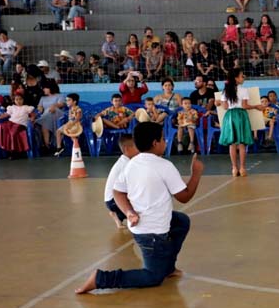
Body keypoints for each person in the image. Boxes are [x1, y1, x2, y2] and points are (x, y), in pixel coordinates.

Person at [75, 122, 204, 294]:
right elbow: (184, 196)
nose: (166, 142)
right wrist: (196, 173)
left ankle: (168, 268)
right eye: (163, 139)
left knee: (181, 221)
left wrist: (129, 212)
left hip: (143, 224)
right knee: (152, 277)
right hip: (151, 233)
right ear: (155, 143)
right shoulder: (164, 166)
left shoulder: (132, 163)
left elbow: (117, 191)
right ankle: (101, 279)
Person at [214, 68, 262, 177]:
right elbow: (245, 106)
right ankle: (243, 168)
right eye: (241, 76)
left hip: (230, 116)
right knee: (241, 144)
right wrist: (256, 106)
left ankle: (234, 168)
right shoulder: (243, 90)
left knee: (232, 143)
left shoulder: (225, 90)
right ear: (236, 78)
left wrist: (219, 102)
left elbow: (225, 106)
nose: (243, 78)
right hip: (241, 115)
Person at [103, 135, 139, 228]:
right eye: (136, 147)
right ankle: (118, 213)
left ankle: (118, 215)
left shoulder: (124, 161)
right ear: (127, 149)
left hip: (110, 200)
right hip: (113, 200)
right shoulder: (127, 164)